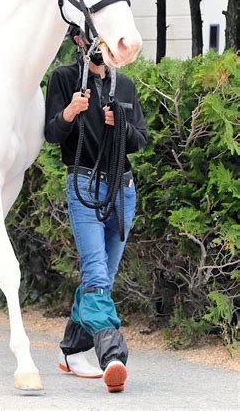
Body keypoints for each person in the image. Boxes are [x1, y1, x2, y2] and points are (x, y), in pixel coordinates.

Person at [44, 25, 148, 393]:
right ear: (80, 41)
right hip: (84, 185)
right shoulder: (64, 79)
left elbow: (140, 139)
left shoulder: (126, 87)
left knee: (100, 276)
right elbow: (52, 133)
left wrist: (120, 124)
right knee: (98, 276)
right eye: (95, 36)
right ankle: (113, 356)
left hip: (123, 190)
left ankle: (73, 349)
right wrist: (71, 112)